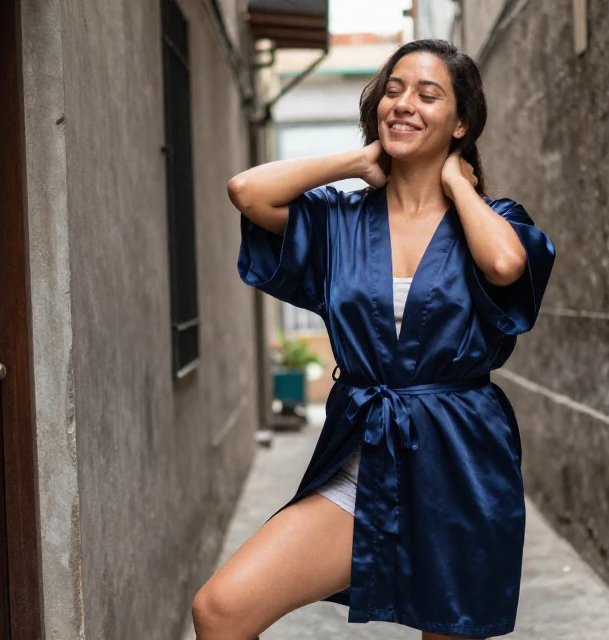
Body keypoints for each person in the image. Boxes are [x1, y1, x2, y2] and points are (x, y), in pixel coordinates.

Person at [193, 38, 555, 640]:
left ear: (461, 122)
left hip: (460, 460)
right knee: (222, 607)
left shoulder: (493, 218)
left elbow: (505, 265)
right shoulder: (339, 218)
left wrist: (459, 186)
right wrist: (356, 163)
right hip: (367, 455)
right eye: (392, 90)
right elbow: (247, 191)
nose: (403, 103)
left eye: (426, 93)